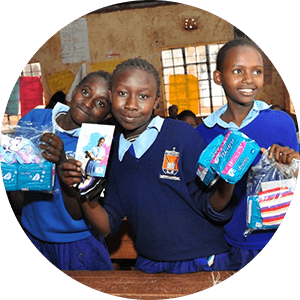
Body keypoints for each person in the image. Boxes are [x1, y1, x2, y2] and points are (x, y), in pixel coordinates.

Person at [60, 58, 236, 273]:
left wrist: (228, 181)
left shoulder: (180, 135)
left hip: (202, 260)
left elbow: (210, 202)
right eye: (122, 93)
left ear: (156, 102)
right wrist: (83, 191)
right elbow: (107, 225)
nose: (131, 105)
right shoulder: (109, 150)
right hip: (151, 262)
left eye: (143, 96)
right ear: (111, 95)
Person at [196, 38, 299, 270]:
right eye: (238, 71)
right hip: (230, 244)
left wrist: (291, 160)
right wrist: (225, 178)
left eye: (257, 71)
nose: (249, 80)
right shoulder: (204, 132)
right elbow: (208, 202)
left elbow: (295, 174)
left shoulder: (281, 122)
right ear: (218, 77)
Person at [15, 71, 114, 270]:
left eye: (100, 103)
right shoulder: (35, 118)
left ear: (108, 115)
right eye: (85, 92)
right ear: (74, 91)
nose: (88, 103)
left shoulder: (95, 146)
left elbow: (77, 214)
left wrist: (61, 162)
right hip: (32, 234)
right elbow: (17, 193)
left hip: (77, 244)